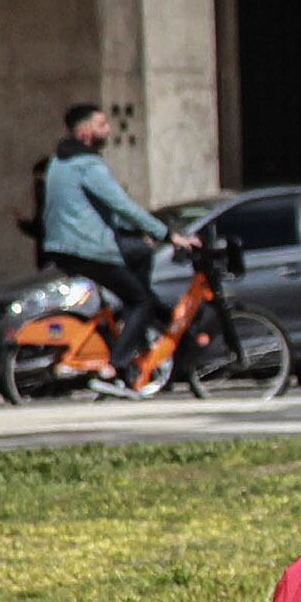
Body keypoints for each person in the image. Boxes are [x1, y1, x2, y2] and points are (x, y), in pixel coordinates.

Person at [37, 104, 197, 395]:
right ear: (85, 133)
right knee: (143, 301)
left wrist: (135, 234)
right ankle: (115, 366)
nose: (108, 130)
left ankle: (127, 326)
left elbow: (93, 211)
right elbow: (121, 204)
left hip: (63, 247)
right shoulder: (89, 164)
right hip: (88, 248)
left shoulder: (58, 163)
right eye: (102, 125)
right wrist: (167, 234)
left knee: (141, 253)